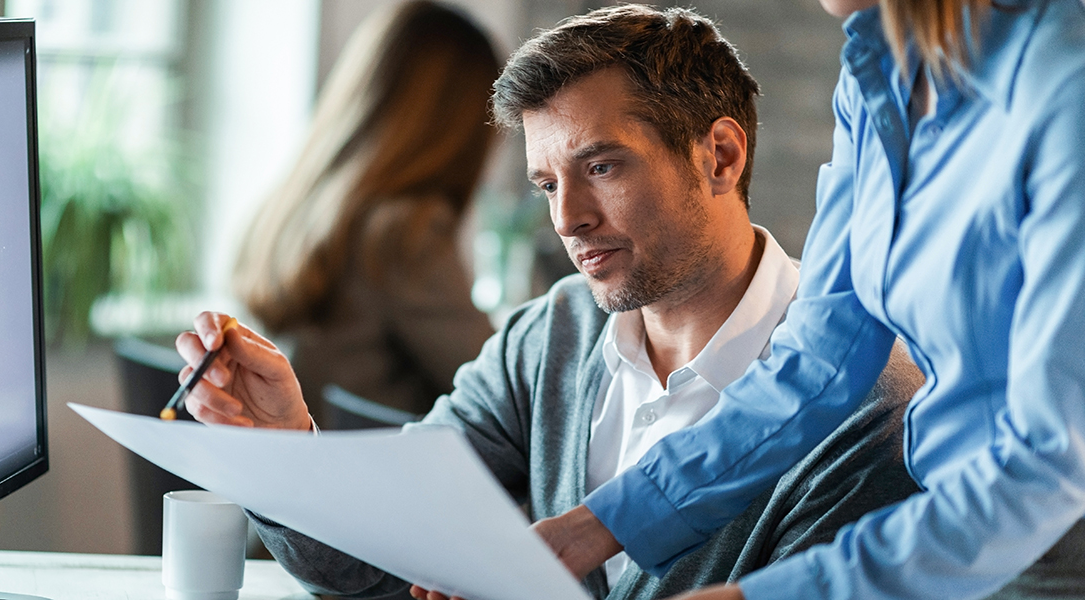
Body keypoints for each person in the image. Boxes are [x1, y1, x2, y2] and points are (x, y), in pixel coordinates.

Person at [178, 6, 926, 599]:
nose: (566, 217)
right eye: (546, 184)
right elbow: (375, 565)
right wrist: (285, 450)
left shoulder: (869, 414)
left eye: (600, 166)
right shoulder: (550, 336)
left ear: (720, 156)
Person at [525, 1, 1085, 599]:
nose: (566, 220)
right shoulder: (879, 74)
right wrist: (599, 524)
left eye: (603, 166)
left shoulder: (1065, 77)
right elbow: (821, 358)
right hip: (956, 548)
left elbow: (1053, 464)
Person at [231, 0, 496, 425]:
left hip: (297, 464)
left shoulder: (297, 205)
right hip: (367, 478)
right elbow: (503, 387)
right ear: (458, 127)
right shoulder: (405, 230)